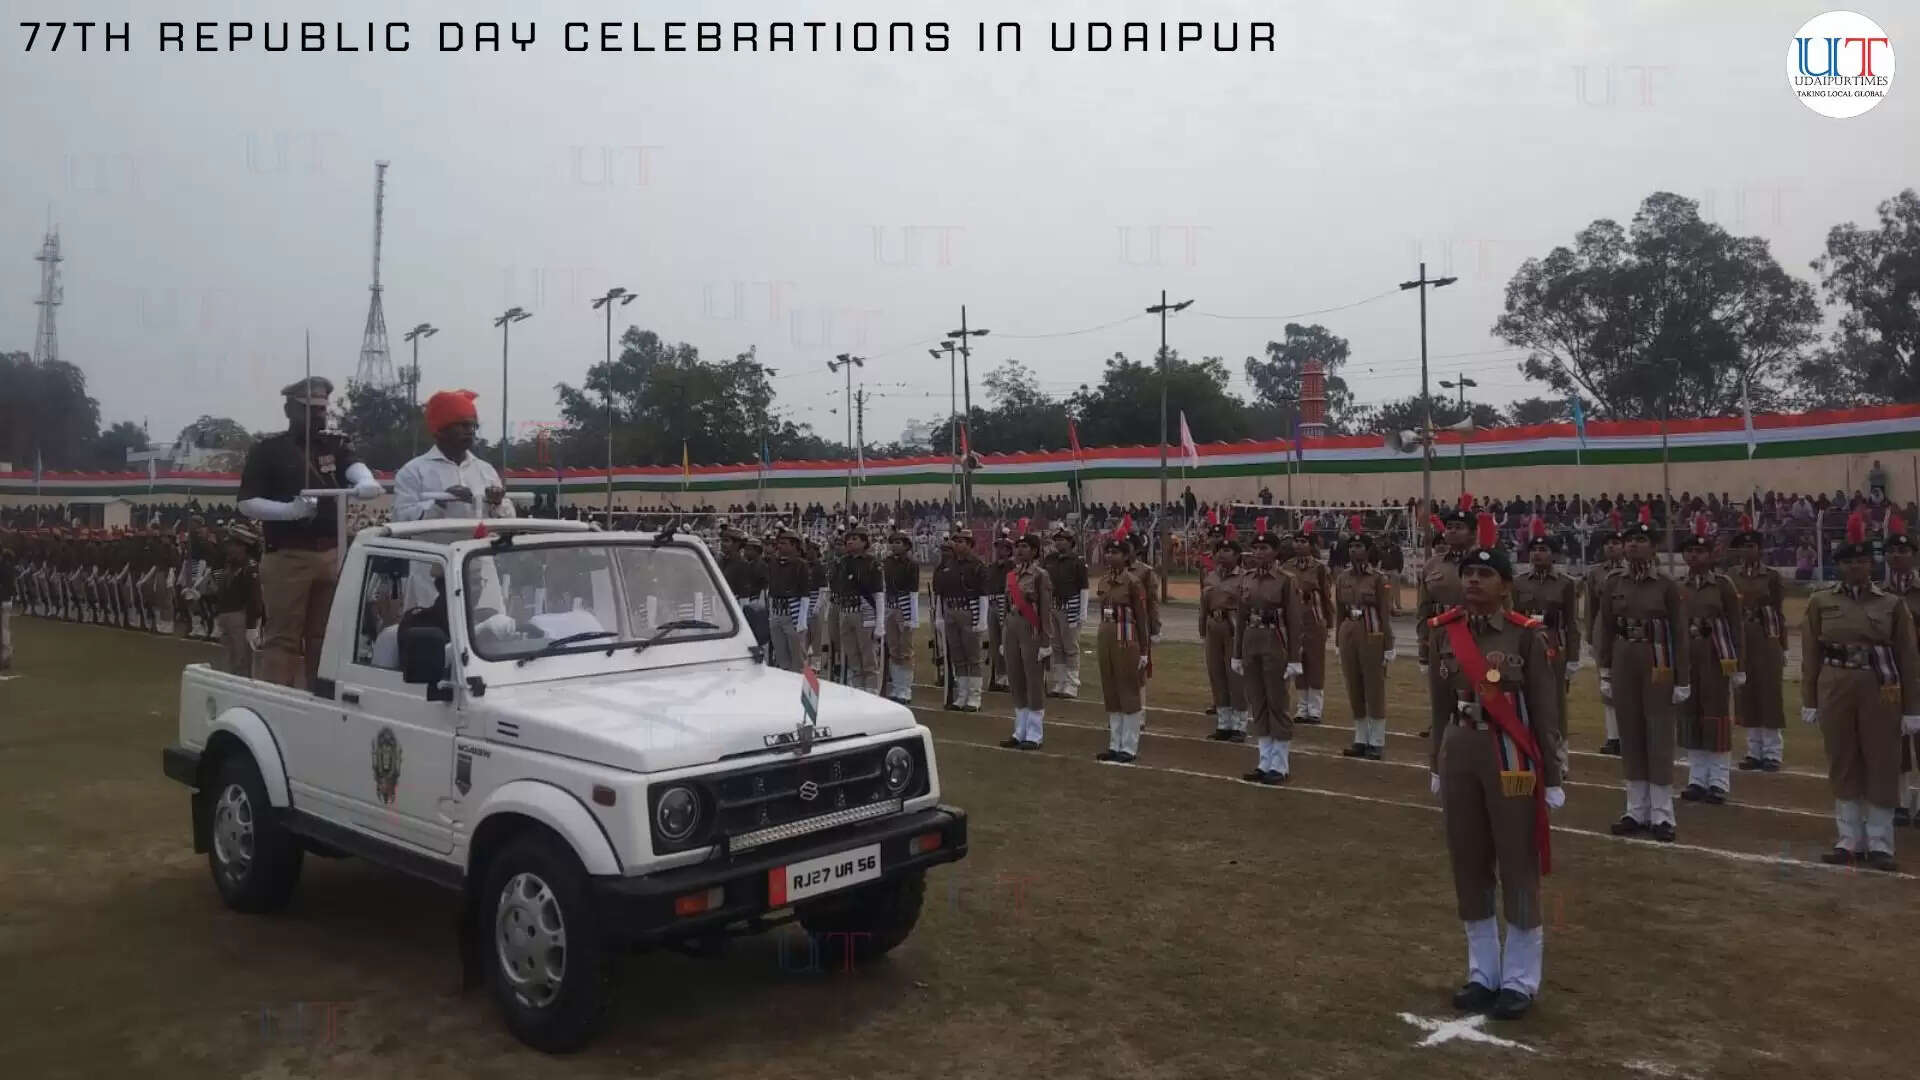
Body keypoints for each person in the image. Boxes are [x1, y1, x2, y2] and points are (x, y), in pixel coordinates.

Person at [1425, 542, 1565, 1022]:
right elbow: (1439, 707)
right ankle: (1482, 971)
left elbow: (1546, 710)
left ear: (1506, 585)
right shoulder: (1444, 632)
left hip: (1509, 757)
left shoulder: (1527, 636)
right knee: (1468, 860)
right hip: (1460, 750)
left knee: (1517, 861)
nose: (1472, 581)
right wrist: (1434, 765)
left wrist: (1554, 774)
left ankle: (1520, 979)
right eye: (1467, 573)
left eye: (1484, 574)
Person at [236, 376, 383, 688]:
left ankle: (321, 699)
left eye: (321, 409)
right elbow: (247, 503)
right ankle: (277, 700)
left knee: (325, 636)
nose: (318, 415)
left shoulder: (334, 443)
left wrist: (365, 481)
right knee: (283, 638)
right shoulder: (268, 450)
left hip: (331, 552)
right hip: (289, 554)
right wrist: (289, 511)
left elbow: (353, 466)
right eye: (310, 409)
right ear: (290, 409)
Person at [1802, 515, 1920, 870]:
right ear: (1839, 566)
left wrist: (1912, 708)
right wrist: (1809, 700)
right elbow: (1810, 655)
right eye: (1849, 561)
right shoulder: (1820, 602)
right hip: (1835, 684)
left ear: (1872, 564)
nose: (1856, 567)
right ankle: (1849, 840)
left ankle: (1881, 844)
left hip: (1879, 687)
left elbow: (1907, 658)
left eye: (1863, 561)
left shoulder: (1891, 604)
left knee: (1881, 760)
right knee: (1843, 759)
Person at [1595, 520, 1691, 842]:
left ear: (1654, 547)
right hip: (1624, 657)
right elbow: (1605, 628)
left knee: (1659, 734)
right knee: (1631, 733)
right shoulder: (1613, 582)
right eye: (1629, 540)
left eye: (1640, 540)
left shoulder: (1666, 585)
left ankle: (1662, 814)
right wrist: (1604, 670)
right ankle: (1636, 809)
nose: (1633, 546)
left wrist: (1682, 678)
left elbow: (1679, 632)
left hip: (1657, 660)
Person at [391, 389, 515, 609]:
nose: (470, 431)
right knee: (434, 635)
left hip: (480, 567)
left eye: (473, 426)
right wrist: (440, 502)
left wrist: (497, 503)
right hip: (432, 571)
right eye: (462, 425)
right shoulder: (414, 471)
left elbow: (508, 521)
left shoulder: (484, 470)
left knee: (491, 632)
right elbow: (401, 521)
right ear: (440, 431)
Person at [1676, 528, 1743, 805]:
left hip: (1716, 657)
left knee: (1715, 717)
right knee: (1691, 716)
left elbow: (1735, 625)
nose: (1695, 555)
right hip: (1687, 657)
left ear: (1710, 555)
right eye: (1690, 551)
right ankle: (1697, 778)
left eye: (1700, 551)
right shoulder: (1677, 585)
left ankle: (1718, 781)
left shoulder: (1723, 585)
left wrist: (1739, 665)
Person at [1233, 531, 1305, 784]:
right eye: (1256, 547)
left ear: (1275, 552)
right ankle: (1264, 761)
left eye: (1265, 547)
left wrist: (1295, 657)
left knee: (1277, 701)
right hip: (1251, 641)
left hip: (1275, 642)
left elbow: (1295, 621)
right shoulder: (1247, 578)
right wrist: (1236, 654)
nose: (1259, 552)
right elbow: (1240, 618)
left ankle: (1280, 764)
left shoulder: (1286, 580)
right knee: (1257, 701)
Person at [1511, 521, 1581, 776]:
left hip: (1554, 649)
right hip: (1526, 649)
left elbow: (1572, 622)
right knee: (1526, 700)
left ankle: (1559, 757)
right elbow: (1513, 617)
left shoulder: (1565, 584)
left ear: (1553, 554)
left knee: (1555, 706)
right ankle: (1530, 751)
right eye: (1534, 550)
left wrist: (1573, 657)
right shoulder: (1518, 584)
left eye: (1543, 549)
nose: (1538, 554)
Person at [1730, 520, 1788, 772]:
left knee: (1770, 693)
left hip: (1766, 636)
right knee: (1746, 694)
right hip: (1741, 638)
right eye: (1742, 547)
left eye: (1751, 546)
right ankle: (1754, 751)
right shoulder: (1731, 576)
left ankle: (1773, 752)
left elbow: (1778, 611)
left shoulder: (1772, 576)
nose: (1747, 551)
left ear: (1760, 549)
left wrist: (1783, 646)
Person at [1335, 530, 1395, 759]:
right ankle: (1360, 737)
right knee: (1354, 684)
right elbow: (1340, 610)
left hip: (1372, 632)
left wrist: (1388, 644)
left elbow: (1384, 613)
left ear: (1369, 550)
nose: (1354, 550)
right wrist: (1338, 640)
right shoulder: (1343, 578)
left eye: (1359, 546)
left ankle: (1377, 740)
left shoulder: (1379, 578)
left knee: (1374, 685)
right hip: (1349, 630)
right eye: (1351, 546)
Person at [1093, 536, 1152, 763]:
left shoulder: (1133, 582)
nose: (1110, 556)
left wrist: (1144, 650)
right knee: (1111, 690)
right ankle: (1114, 744)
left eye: (1115, 552)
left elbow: (1141, 617)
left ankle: (1128, 746)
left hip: (1126, 636)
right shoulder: (1104, 581)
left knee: (1128, 690)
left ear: (1126, 556)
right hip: (1106, 634)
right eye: (1108, 552)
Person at [1416, 509, 1475, 737]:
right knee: (1440, 691)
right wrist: (1423, 645)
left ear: (1472, 534)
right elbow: (1424, 608)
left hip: (1472, 634)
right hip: (1439, 637)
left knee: (1469, 691)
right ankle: (1440, 733)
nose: (1452, 531)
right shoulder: (1433, 565)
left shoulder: (1485, 562)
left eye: (1459, 527)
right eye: (1449, 526)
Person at [999, 533, 1060, 750]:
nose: (1020, 550)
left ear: (1035, 551)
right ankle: (1019, 731)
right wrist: (1002, 634)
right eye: (1018, 546)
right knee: (1016, 681)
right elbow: (1005, 606)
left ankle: (1034, 734)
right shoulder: (1011, 575)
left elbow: (1046, 610)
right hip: (1012, 628)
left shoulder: (1040, 576)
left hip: (1031, 630)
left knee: (1033, 682)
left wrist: (1046, 641)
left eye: (1025, 546)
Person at [1884, 525, 1920, 824]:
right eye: (1892, 551)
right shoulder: (1878, 594)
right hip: (1889, 677)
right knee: (1893, 743)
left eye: (1904, 551)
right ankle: (1900, 801)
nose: (1897, 556)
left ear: (1915, 556)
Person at [1584, 523, 1629, 754]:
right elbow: (1591, 606)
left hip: (1627, 628)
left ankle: (1630, 734)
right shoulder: (1596, 573)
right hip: (1603, 628)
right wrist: (1591, 637)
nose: (1611, 547)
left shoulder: (1630, 571)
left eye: (1616, 543)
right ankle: (1613, 736)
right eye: (1608, 544)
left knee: (1628, 683)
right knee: (1606, 685)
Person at [934, 527, 989, 711]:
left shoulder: (977, 565)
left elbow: (983, 595)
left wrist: (982, 620)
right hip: (951, 611)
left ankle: (974, 696)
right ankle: (962, 694)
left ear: (970, 545)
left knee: (972, 656)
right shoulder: (947, 566)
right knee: (958, 656)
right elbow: (940, 594)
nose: (958, 545)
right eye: (956, 542)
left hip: (969, 611)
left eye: (962, 542)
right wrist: (939, 617)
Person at [1285, 528, 1334, 726]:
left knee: (1315, 663)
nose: (1298, 545)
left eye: (1303, 541)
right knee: (1297, 662)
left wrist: (1329, 623)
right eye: (1296, 541)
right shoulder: (1286, 566)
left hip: (1314, 620)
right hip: (1294, 621)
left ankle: (1315, 708)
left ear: (1312, 545)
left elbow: (1326, 596)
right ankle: (1302, 706)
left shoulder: (1319, 568)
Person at [1201, 537, 1249, 742]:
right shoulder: (1210, 576)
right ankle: (1223, 723)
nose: (1222, 554)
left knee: (1235, 675)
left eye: (1227, 550)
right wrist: (1202, 628)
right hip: (1214, 625)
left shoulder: (1245, 578)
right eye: (1219, 550)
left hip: (1234, 626)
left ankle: (1239, 724)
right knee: (1216, 672)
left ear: (1237, 555)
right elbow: (1204, 605)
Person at [830, 525, 886, 694]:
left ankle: (872, 691)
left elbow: (878, 594)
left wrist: (880, 623)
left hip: (864, 611)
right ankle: (858, 689)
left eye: (855, 539)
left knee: (868, 655)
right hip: (846, 610)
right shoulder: (842, 563)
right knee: (852, 655)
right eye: (848, 539)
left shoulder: (872, 563)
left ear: (864, 542)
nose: (850, 542)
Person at [1042, 525, 1089, 700]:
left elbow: (1084, 588)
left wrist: (1082, 612)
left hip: (1071, 606)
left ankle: (1072, 683)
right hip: (1053, 606)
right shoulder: (1049, 560)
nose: (1058, 543)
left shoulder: (1077, 561)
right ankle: (1059, 681)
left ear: (1071, 542)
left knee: (1070, 646)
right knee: (1056, 646)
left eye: (1062, 540)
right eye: (1057, 539)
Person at [212, 525, 264, 677]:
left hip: (240, 617)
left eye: (232, 545)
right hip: (226, 615)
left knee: (241, 662)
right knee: (229, 660)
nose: (228, 548)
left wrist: (252, 627)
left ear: (243, 547)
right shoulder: (230, 565)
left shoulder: (250, 567)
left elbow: (255, 599)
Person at [764, 529, 811, 672]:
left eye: (784, 543)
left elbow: (804, 594)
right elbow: (770, 590)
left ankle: (804, 691)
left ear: (794, 546)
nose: (779, 546)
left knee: (798, 659)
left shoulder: (800, 565)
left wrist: (802, 620)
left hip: (793, 613)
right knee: (781, 657)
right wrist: (771, 613)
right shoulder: (773, 563)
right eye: (779, 543)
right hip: (777, 612)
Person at [882, 528, 919, 704]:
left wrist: (913, 617)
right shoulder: (886, 562)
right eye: (893, 542)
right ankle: (896, 686)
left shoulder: (911, 565)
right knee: (894, 649)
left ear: (906, 546)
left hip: (904, 607)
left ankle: (905, 688)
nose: (895, 545)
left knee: (906, 650)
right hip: (890, 606)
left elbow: (913, 592)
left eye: (899, 542)